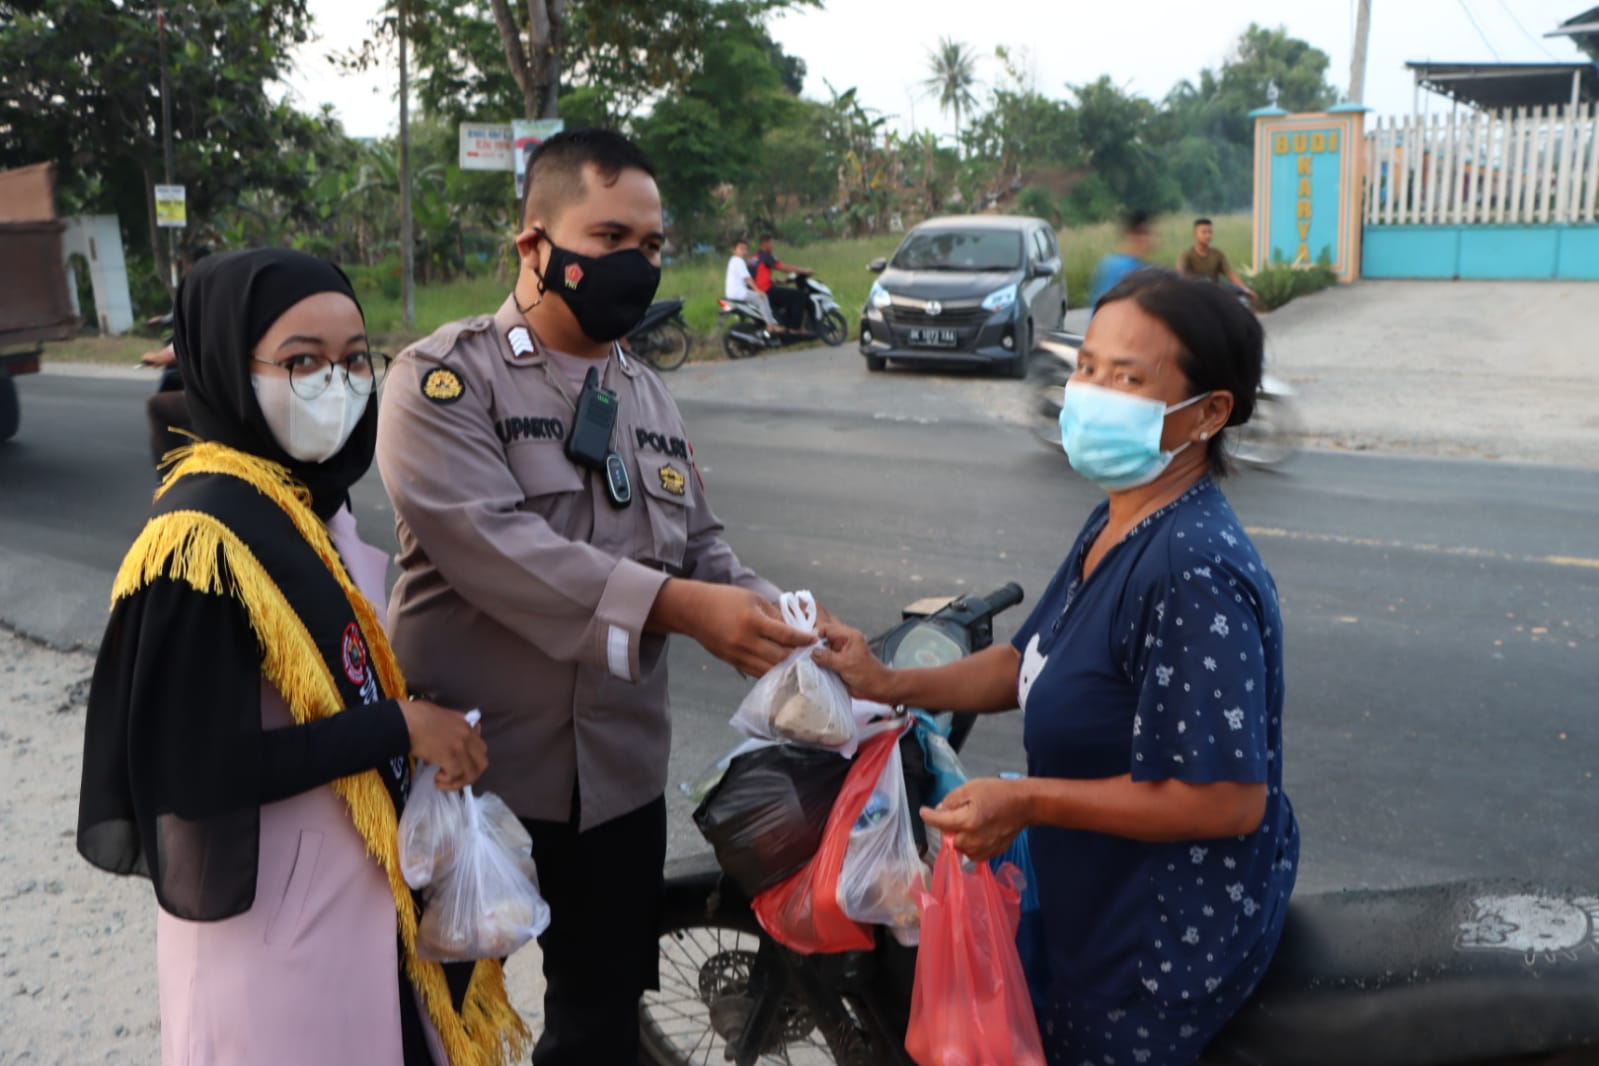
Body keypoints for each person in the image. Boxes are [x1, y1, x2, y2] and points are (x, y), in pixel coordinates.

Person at [374, 129, 818, 1065]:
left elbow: (701, 546)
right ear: (534, 243)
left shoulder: (646, 396)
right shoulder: (444, 379)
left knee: (599, 1024)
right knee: (432, 1021)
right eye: (611, 236)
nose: (637, 264)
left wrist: (789, 626)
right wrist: (678, 608)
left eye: (652, 246)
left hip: (615, 781)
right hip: (472, 777)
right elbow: (491, 542)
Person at [816, 270, 1298, 1066]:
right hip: (1087, 894)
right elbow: (1026, 661)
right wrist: (885, 681)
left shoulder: (1190, 566)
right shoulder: (1124, 512)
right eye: (1087, 367)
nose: (1091, 392)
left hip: (1151, 938)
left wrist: (1028, 799)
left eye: (1128, 378)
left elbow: (1226, 799)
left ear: (1210, 413)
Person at [75, 248, 526, 1066]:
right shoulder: (201, 540)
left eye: (356, 360)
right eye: (302, 362)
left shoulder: (298, 501)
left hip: (352, 914)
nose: (338, 384)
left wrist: (405, 721)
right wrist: (397, 726)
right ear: (224, 365)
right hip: (277, 954)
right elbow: (190, 771)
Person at [1177, 218, 1256, 303]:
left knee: (1242, 301)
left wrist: (1246, 290)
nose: (1208, 235)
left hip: (1215, 291)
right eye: (1204, 232)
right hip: (1195, 293)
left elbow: (1230, 274)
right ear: (1195, 235)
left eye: (1210, 232)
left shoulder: (1217, 254)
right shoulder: (1186, 254)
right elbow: (1180, 274)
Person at [1088, 209, 1156, 309]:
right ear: (1140, 234)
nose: (1155, 240)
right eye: (1151, 234)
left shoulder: (1107, 262)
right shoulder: (1126, 269)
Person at [751, 234, 810, 330]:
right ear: (765, 243)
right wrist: (803, 270)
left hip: (756, 290)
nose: (773, 246)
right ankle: (795, 329)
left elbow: (756, 276)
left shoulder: (754, 258)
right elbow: (783, 267)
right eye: (771, 243)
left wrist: (776, 281)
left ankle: (783, 323)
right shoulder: (766, 256)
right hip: (766, 291)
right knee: (799, 296)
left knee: (786, 294)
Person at [724, 237, 781, 331]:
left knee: (756, 299)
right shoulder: (738, 261)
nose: (743, 251)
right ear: (734, 250)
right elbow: (747, 278)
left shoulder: (733, 261)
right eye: (741, 248)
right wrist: (758, 290)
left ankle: (757, 323)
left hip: (732, 293)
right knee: (762, 297)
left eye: (745, 249)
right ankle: (770, 325)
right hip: (739, 293)